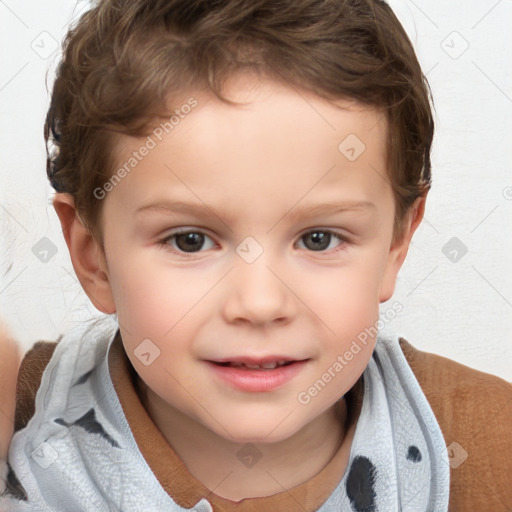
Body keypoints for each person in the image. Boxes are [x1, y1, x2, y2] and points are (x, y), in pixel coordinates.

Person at [1, 0, 511, 510]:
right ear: (94, 257)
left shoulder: (484, 442)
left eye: (319, 239)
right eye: (190, 240)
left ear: (396, 246)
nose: (261, 303)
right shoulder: (22, 414)